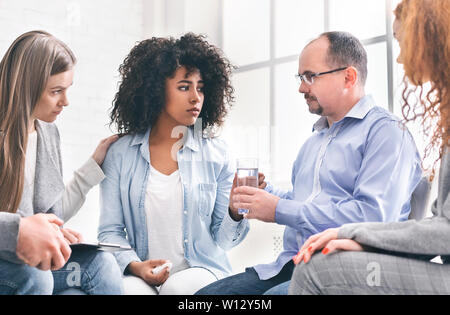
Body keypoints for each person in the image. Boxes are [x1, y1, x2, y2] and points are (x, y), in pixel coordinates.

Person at [196, 31, 423, 295]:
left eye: (310, 76)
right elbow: (306, 201)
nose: (302, 87)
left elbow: (371, 218)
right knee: (204, 298)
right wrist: (262, 195)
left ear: (348, 77)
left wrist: (279, 209)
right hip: (295, 262)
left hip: (353, 269)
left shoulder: (387, 133)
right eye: (301, 78)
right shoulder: (313, 143)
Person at [289, 0, 450, 295]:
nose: (400, 59)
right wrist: (364, 242)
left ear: (430, 40)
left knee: (313, 272)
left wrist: (354, 234)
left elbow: (445, 233)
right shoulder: (312, 143)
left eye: (404, 44)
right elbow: (441, 227)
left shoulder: (385, 131)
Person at [98, 33, 259, 295]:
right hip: (141, 273)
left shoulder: (217, 155)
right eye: (184, 87)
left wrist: (234, 211)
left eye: (201, 87)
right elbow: (109, 232)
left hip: (201, 269)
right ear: (156, 90)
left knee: (176, 288)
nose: (196, 97)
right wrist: (136, 266)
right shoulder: (120, 154)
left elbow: (225, 241)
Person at [0, 30, 122, 295]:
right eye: (56, 91)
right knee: (37, 278)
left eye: (67, 90)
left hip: (27, 261)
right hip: (6, 259)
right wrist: (18, 230)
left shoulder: (48, 133)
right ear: (26, 87)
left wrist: (55, 232)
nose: (65, 102)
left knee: (102, 265)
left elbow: (51, 213)